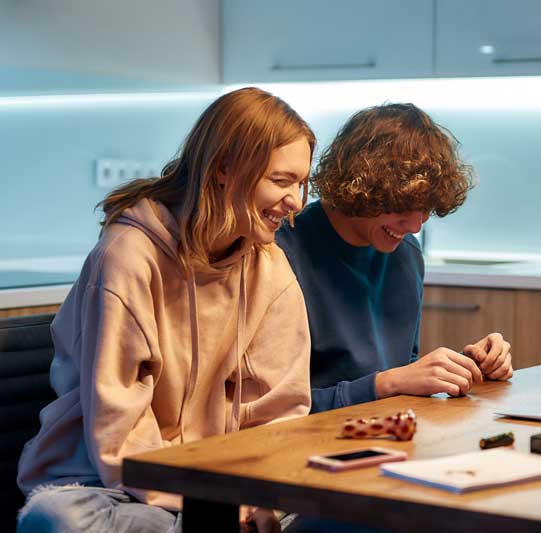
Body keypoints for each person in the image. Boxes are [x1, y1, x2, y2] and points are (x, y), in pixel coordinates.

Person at [16, 87, 315, 533]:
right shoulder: (128, 256)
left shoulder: (268, 264)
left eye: (301, 183)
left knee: (339, 507)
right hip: (108, 481)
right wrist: (207, 503)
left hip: (218, 478)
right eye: (281, 180)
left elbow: (282, 410)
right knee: (56, 519)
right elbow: (118, 432)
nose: (296, 202)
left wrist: (256, 493)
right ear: (223, 169)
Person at [276, 103, 513, 416]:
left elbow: (400, 375)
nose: (414, 227)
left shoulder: (406, 254)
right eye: (402, 209)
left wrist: (464, 366)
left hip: (386, 438)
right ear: (360, 189)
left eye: (425, 211)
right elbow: (270, 411)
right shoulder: (280, 255)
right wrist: (386, 383)